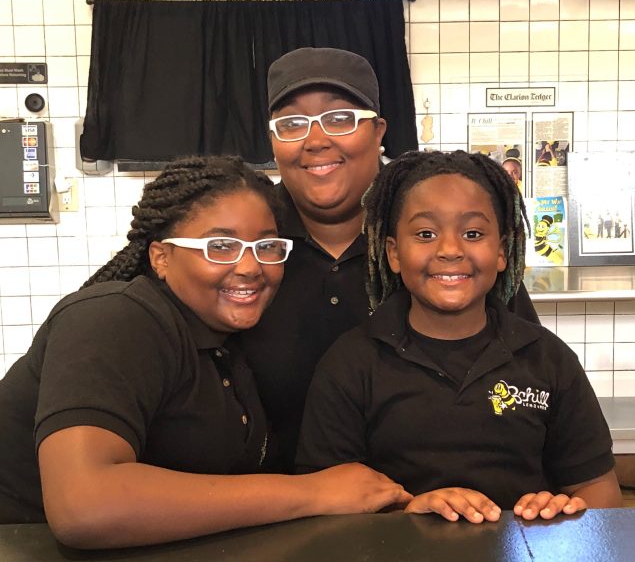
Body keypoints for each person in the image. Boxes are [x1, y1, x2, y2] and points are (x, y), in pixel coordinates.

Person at [0, 157, 410, 548]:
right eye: (220, 246)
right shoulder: (113, 318)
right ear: (161, 257)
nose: (251, 267)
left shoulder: (225, 345)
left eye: (266, 247)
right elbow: (84, 507)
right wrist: (313, 493)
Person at [241, 47, 540, 474]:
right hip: (272, 507)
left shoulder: (435, 245)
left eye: (340, 118)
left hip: (440, 506)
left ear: (379, 131)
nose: (316, 140)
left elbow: (528, 367)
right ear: (273, 140)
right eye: (291, 124)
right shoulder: (247, 242)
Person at [296, 150, 621, 523]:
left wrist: (565, 512)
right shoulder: (350, 364)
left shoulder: (548, 358)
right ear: (394, 253)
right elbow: (321, 508)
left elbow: (599, 490)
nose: (450, 250)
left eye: (472, 233)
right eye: (425, 234)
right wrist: (407, 511)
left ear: (501, 251)